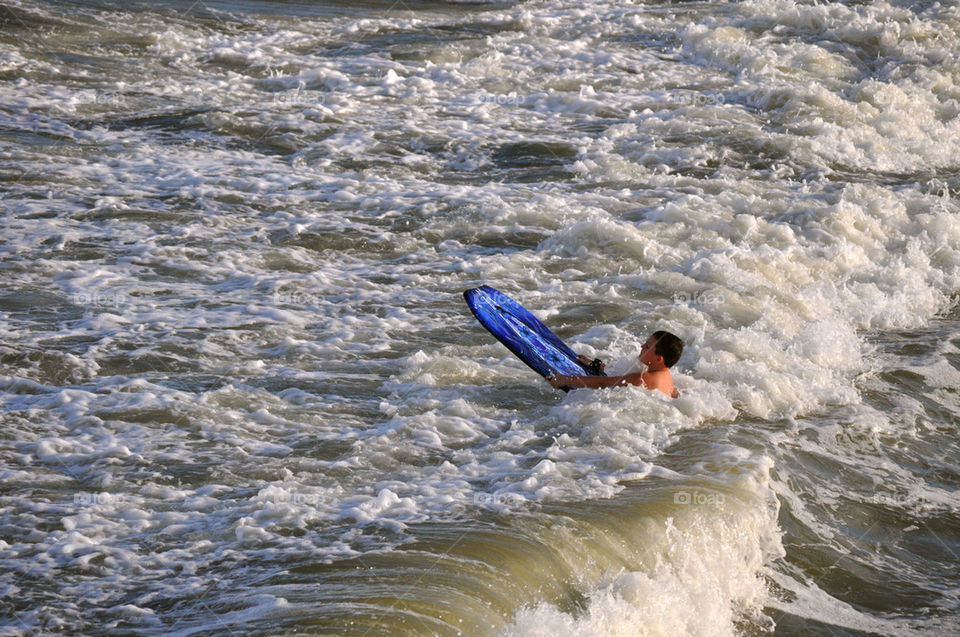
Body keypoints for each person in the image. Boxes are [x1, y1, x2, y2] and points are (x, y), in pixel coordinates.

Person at [548, 331, 683, 398]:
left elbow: (603, 383)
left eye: (647, 346)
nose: (641, 346)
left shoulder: (641, 379)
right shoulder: (666, 375)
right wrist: (598, 365)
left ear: (659, 359)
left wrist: (565, 379)